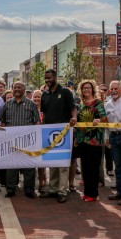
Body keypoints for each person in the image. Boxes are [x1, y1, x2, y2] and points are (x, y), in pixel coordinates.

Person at [39, 69, 77, 203]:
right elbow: (43, 114)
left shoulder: (65, 92)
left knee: (63, 164)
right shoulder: (44, 94)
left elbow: (73, 108)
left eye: (49, 78)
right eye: (46, 78)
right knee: (52, 162)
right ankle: (53, 189)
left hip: (64, 133)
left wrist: (74, 118)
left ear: (55, 77)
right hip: (49, 133)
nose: (47, 80)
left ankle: (62, 191)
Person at [0, 82, 40, 199]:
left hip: (28, 141)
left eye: (19, 87)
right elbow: (2, 123)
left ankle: (29, 190)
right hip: (11, 141)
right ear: (12, 89)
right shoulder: (6, 105)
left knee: (29, 167)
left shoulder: (31, 104)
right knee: (11, 167)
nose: (17, 89)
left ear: (24, 89)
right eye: (15, 87)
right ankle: (10, 189)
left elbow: (37, 121)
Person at [75, 80, 106, 202]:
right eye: (84, 88)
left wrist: (99, 120)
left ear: (93, 89)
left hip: (95, 140)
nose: (86, 90)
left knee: (93, 168)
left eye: (88, 88)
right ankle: (87, 192)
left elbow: (104, 118)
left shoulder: (98, 103)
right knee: (85, 168)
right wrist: (77, 138)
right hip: (83, 140)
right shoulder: (81, 104)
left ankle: (93, 194)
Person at [32, 89, 47, 192]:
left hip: (43, 137)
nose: (37, 98)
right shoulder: (29, 108)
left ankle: (42, 182)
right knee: (33, 162)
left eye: (39, 96)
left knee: (42, 162)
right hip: (32, 138)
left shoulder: (46, 109)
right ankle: (31, 183)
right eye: (35, 97)